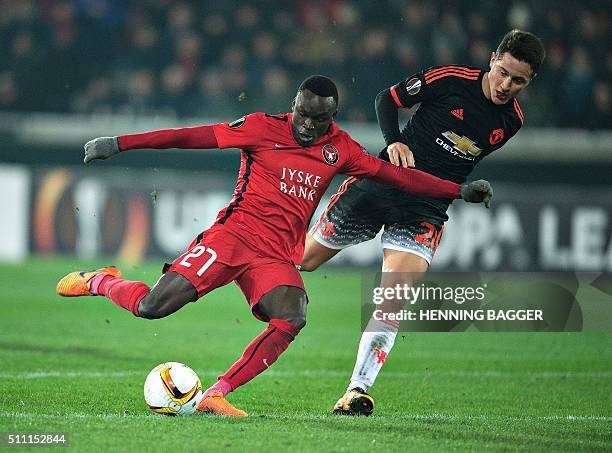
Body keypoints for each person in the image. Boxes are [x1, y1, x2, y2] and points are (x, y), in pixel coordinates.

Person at [56, 75, 492, 416]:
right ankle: (100, 281)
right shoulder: (261, 128)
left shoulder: (340, 149)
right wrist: (119, 143)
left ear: (331, 118)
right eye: (301, 113)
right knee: (153, 307)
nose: (305, 124)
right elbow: (192, 135)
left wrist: (457, 190)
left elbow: (398, 176)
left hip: (275, 256)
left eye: (316, 119)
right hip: (232, 238)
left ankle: (217, 393)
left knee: (292, 316)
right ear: (294, 107)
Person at [300, 30, 546, 416]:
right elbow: (387, 99)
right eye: (503, 72)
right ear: (493, 58)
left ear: (530, 82)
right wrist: (394, 140)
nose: (505, 85)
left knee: (392, 300)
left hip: (426, 209)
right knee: (303, 260)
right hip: (381, 183)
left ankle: (356, 391)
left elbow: (456, 164)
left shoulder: (511, 122)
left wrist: (460, 190)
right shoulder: (450, 79)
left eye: (518, 81)